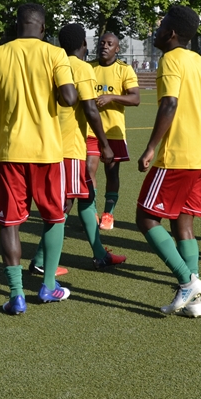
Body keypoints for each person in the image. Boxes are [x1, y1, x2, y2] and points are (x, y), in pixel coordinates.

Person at [0, 3, 78, 315]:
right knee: (54, 217)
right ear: (42, 28)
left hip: (11, 152)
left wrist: (3, 94)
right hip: (47, 152)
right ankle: (47, 286)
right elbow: (69, 98)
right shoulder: (55, 54)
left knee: (10, 222)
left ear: (18, 26)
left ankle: (16, 295)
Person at [136, 5, 201, 317]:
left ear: (171, 34)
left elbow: (169, 103)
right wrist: (199, 129)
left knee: (146, 218)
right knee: (183, 223)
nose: (156, 32)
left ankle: (187, 281)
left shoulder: (171, 59)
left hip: (177, 156)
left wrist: (150, 147)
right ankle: (194, 302)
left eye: (159, 28)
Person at [28, 23, 124, 277]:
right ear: (84, 43)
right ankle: (40, 261)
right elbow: (90, 109)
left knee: (85, 195)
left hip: (47, 142)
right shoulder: (81, 68)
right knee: (64, 204)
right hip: (68, 147)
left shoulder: (51, 64)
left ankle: (100, 254)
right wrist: (105, 144)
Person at [87, 32, 140, 231]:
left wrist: (111, 97)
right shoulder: (88, 67)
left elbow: (135, 98)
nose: (105, 46)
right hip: (90, 130)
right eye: (102, 43)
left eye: (110, 44)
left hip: (113, 131)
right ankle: (91, 212)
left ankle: (108, 214)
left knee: (112, 173)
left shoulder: (124, 70)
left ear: (117, 48)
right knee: (88, 170)